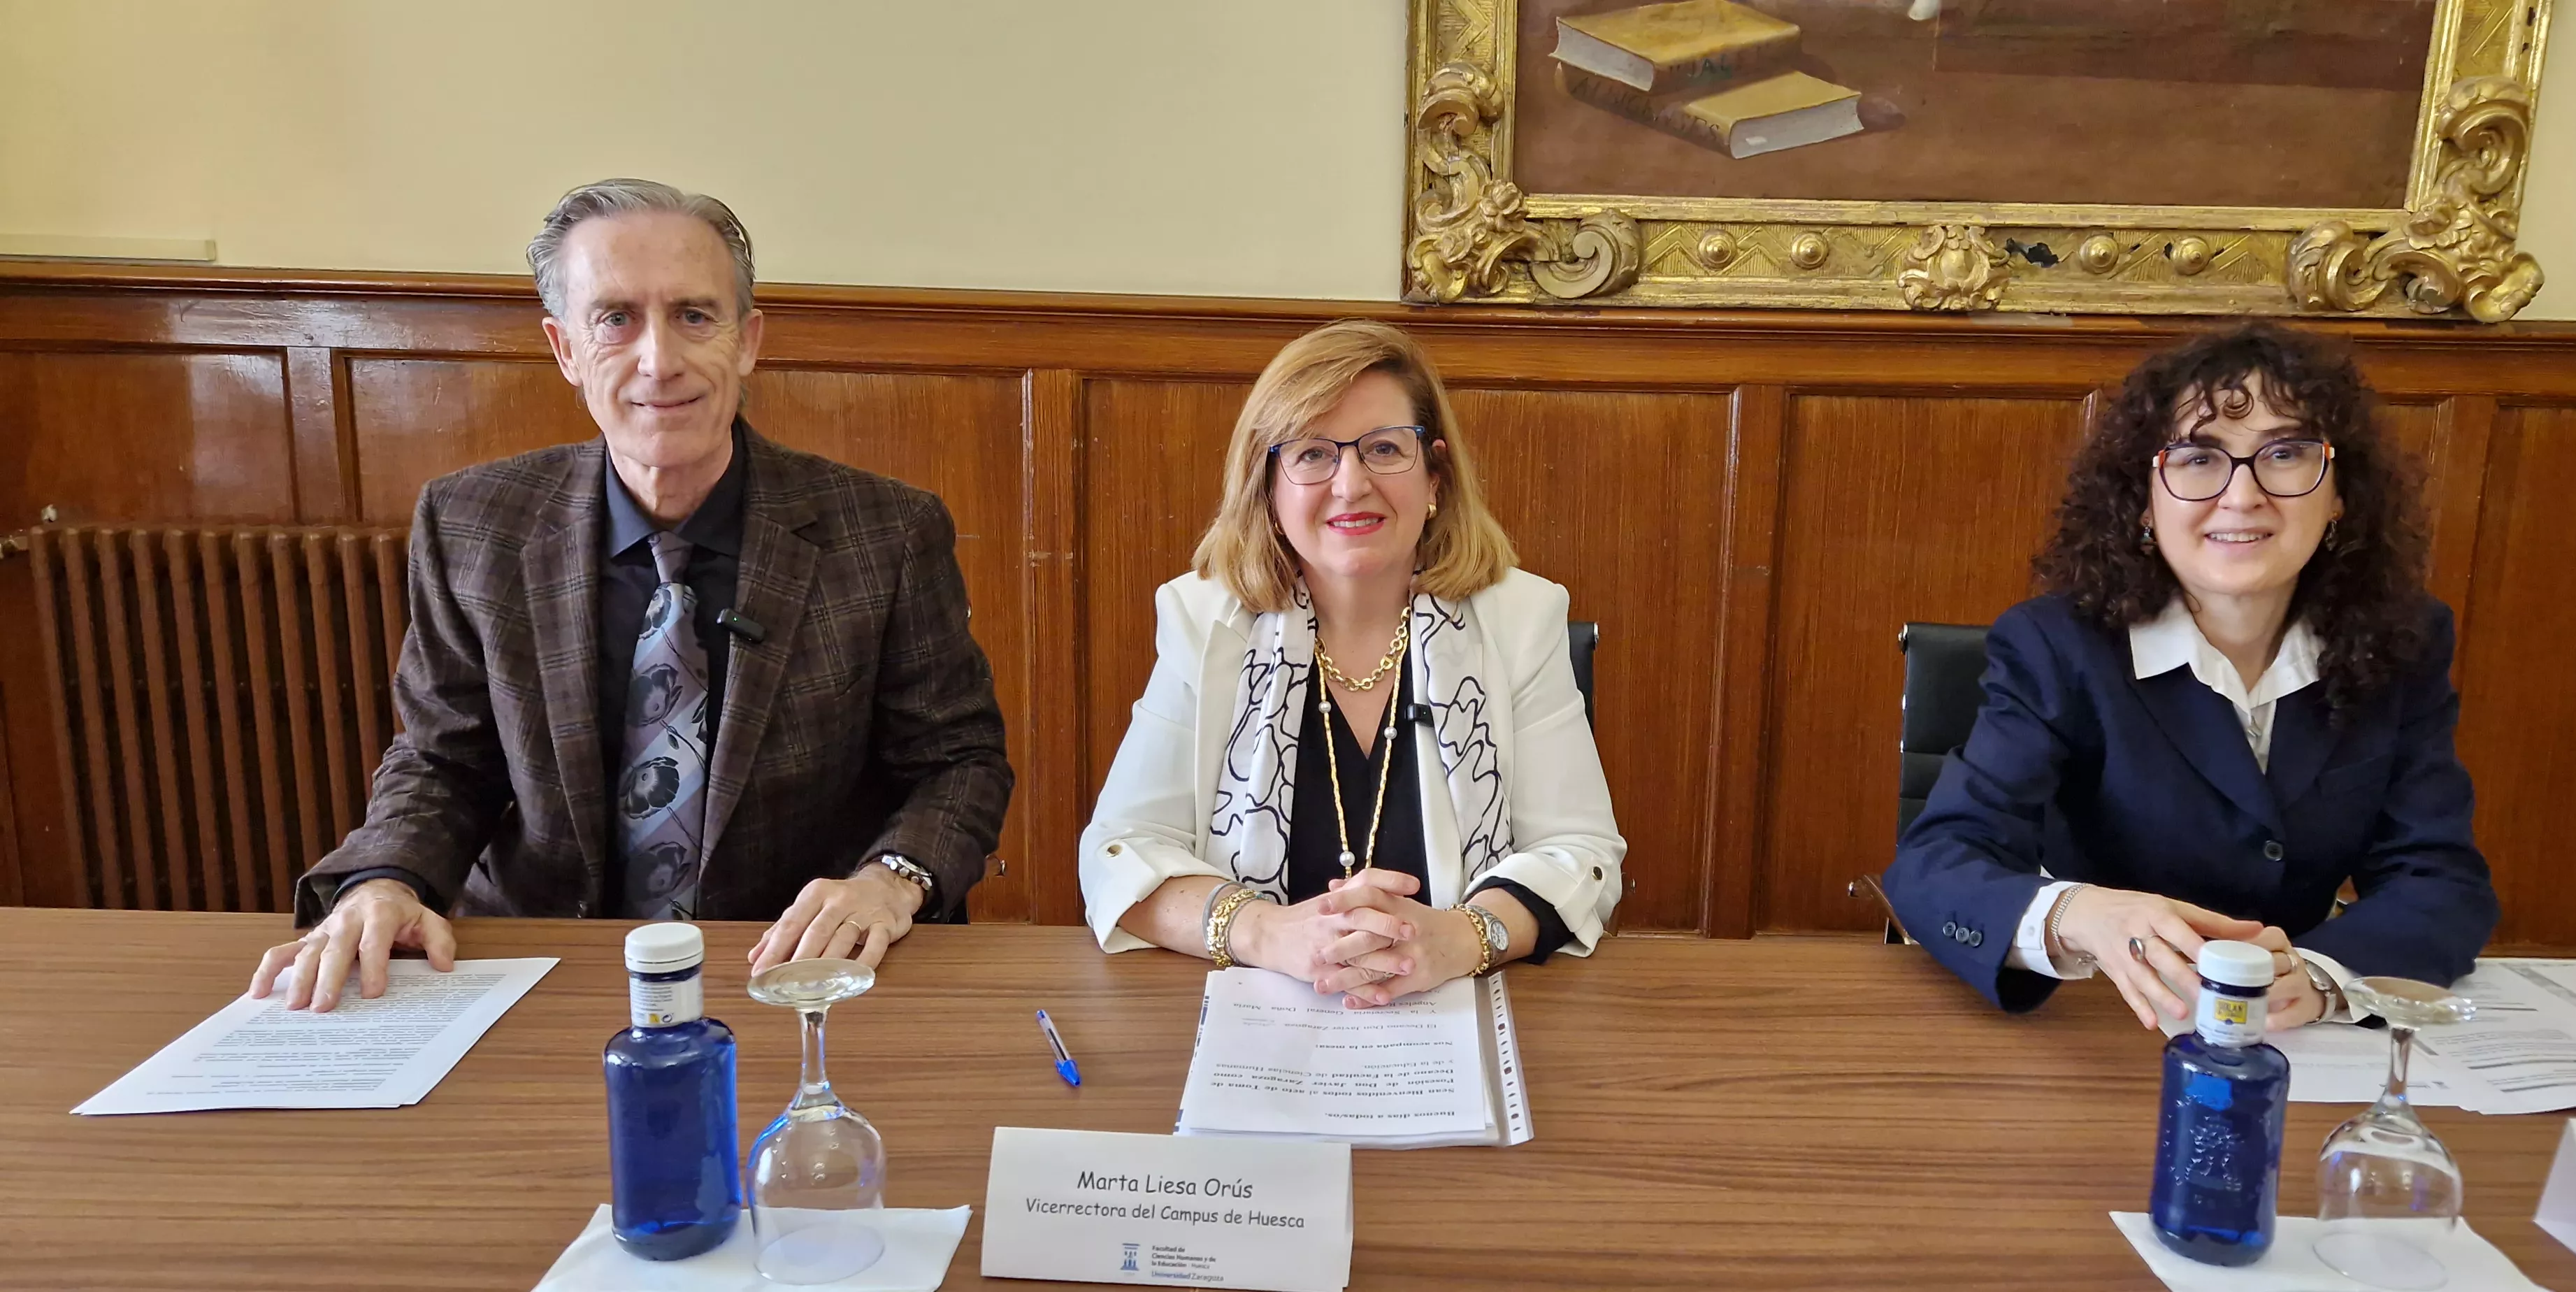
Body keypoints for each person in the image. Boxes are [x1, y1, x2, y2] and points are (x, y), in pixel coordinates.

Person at [248, 179, 1014, 1011]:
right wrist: (387, 879)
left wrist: (891, 880)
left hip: (790, 966)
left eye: (694, 316)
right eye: (615, 319)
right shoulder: (472, 524)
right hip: (547, 962)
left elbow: (957, 760)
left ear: (747, 341)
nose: (660, 360)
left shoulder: (886, 531)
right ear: (566, 348)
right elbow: (443, 757)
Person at [1883, 322, 2496, 1030]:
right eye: (2198, 458)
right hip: (2104, 1023)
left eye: (2286, 453)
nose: (2241, 496)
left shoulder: (2402, 643)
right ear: (2144, 499)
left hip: (2293, 1040)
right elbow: (1933, 867)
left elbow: (2441, 880)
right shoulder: (2056, 646)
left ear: (2339, 497)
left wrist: (2325, 975)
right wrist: (2080, 914)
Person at [1080, 320, 1623, 1005]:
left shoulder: (1519, 620)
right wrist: (1266, 934)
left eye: (1383, 449)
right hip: (1258, 1027)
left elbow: (1581, 852)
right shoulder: (1206, 624)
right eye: (1313, 454)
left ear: (1434, 476)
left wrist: (1461, 939)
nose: (1350, 482)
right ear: (1270, 494)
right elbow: (1118, 851)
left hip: (1463, 1022)